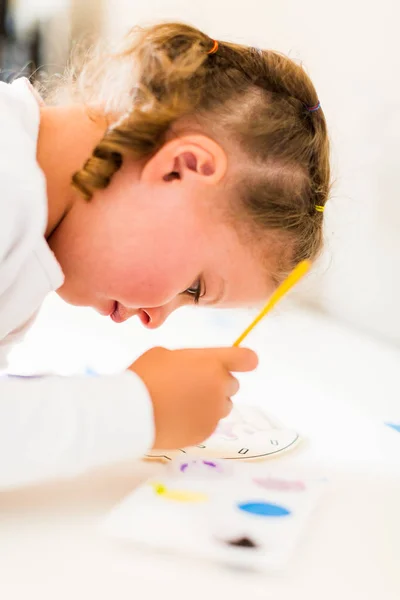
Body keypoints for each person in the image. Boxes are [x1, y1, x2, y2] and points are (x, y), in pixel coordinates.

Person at [0, 22, 330, 488]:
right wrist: (138, 408)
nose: (155, 319)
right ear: (181, 169)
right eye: (194, 287)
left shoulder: (29, 240)